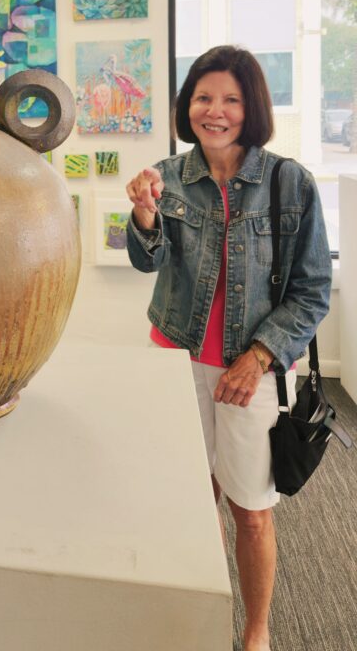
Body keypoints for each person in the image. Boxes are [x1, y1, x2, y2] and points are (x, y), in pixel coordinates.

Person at [125, 45, 331, 651]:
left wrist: (259, 356)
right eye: (203, 97)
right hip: (174, 361)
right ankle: (202, 618)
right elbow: (148, 260)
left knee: (251, 508)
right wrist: (141, 216)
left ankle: (256, 632)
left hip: (249, 372)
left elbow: (311, 290)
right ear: (188, 105)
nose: (215, 111)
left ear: (253, 107)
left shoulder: (289, 183)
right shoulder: (169, 174)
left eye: (231, 99)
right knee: (194, 502)